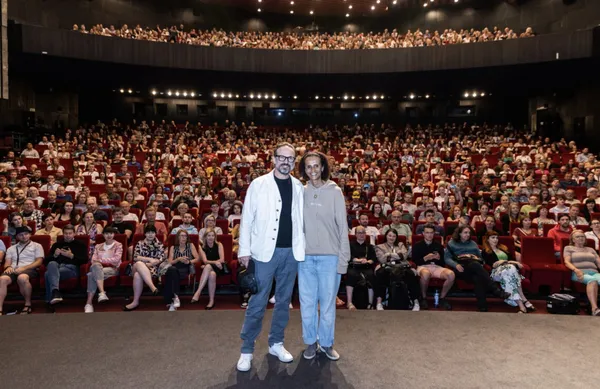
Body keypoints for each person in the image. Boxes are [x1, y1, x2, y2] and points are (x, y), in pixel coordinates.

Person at [237, 142, 305, 372]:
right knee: (257, 302)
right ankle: (247, 349)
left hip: (291, 253)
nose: (286, 161)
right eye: (282, 157)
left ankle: (276, 343)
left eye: (290, 158)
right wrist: (244, 250)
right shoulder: (258, 184)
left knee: (283, 302)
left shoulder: (299, 186)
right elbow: (247, 218)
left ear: (294, 162)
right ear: (274, 158)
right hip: (263, 253)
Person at [299, 151, 349, 361]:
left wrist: (343, 258)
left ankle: (327, 343)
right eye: (308, 167)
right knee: (307, 302)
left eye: (316, 166)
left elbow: (342, 227)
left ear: (322, 167)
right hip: (306, 258)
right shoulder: (299, 192)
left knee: (328, 304)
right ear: (304, 169)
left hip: (330, 257)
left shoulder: (334, 191)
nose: (313, 170)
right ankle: (311, 342)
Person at [444, 226, 510, 312]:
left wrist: (477, 259)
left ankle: (482, 306)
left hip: (474, 266)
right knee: (475, 266)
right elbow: (447, 258)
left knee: (477, 277)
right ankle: (496, 290)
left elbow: (481, 257)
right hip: (461, 268)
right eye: (465, 232)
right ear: (459, 233)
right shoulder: (452, 243)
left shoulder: (473, 243)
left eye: (469, 233)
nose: (468, 235)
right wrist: (455, 265)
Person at [481, 231, 535, 313]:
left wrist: (508, 262)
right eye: (492, 238)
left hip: (508, 271)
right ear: (487, 239)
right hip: (496, 273)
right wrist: (511, 262)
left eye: (496, 238)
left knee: (509, 276)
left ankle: (522, 307)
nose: (495, 240)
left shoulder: (503, 248)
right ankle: (525, 300)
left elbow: (510, 259)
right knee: (511, 268)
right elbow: (494, 265)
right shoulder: (485, 251)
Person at [0, 226, 44, 315]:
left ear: (30, 235)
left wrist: (24, 268)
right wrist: (8, 267)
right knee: (2, 279)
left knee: (22, 277)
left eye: (26, 234)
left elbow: (39, 261)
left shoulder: (37, 246)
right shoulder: (11, 248)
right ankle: (0, 307)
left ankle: (28, 304)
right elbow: (7, 262)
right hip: (13, 269)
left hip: (29, 268)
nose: (24, 236)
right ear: (17, 237)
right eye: (21, 235)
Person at [374, 229, 419, 311]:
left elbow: (404, 256)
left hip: (401, 266)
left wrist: (389, 254)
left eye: (394, 236)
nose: (392, 238)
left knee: (411, 274)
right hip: (387, 267)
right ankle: (379, 302)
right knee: (380, 274)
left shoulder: (400, 244)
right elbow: (382, 259)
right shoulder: (379, 246)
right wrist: (398, 255)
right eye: (390, 235)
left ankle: (415, 302)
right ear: (386, 236)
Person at [412, 224, 454, 310]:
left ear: (434, 233)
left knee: (451, 274)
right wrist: (425, 258)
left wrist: (438, 258)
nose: (429, 235)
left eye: (431, 233)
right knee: (426, 274)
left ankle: (442, 298)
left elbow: (443, 263)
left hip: (436, 267)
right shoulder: (417, 245)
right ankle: (423, 298)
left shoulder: (438, 245)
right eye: (427, 233)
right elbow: (414, 262)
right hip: (423, 266)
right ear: (423, 233)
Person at [124, 225, 164, 311]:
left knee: (138, 275)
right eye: (148, 232)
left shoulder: (159, 244)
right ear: (145, 234)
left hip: (152, 269)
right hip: (136, 267)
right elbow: (135, 257)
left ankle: (135, 301)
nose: (150, 235)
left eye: (152, 232)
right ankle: (152, 287)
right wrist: (149, 259)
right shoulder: (140, 243)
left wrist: (149, 264)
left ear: (155, 234)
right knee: (139, 263)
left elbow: (161, 258)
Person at [44, 224, 87, 304]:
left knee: (47, 274)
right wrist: (55, 255)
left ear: (74, 234)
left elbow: (85, 260)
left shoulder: (80, 244)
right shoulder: (56, 245)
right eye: (66, 233)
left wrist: (71, 256)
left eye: (70, 233)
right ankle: (55, 293)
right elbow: (45, 261)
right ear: (63, 234)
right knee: (52, 263)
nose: (68, 235)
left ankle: (50, 298)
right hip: (56, 267)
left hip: (71, 269)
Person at [84, 227, 123, 313]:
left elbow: (116, 260)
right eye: (106, 233)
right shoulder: (98, 246)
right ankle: (102, 293)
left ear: (114, 234)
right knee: (96, 266)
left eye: (111, 233)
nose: (109, 235)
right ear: (103, 235)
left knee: (91, 275)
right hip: (97, 268)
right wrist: (99, 263)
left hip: (112, 269)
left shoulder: (118, 245)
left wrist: (101, 262)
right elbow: (93, 260)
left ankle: (89, 303)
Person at [563, 229, 600, 316]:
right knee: (592, 281)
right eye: (578, 237)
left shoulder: (591, 249)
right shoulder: (568, 248)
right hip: (579, 273)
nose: (581, 238)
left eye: (582, 236)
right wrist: (576, 270)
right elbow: (566, 262)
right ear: (573, 239)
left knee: (594, 278)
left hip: (594, 272)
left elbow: (598, 262)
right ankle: (594, 309)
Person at [164, 230, 200, 311]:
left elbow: (198, 259)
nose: (183, 238)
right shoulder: (173, 247)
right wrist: (178, 259)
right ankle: (176, 297)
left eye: (185, 236)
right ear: (178, 237)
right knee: (172, 270)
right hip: (174, 267)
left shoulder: (190, 245)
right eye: (181, 236)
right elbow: (170, 262)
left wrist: (189, 261)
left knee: (171, 273)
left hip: (185, 268)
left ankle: (171, 300)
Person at [190, 228, 225, 309]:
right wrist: (214, 262)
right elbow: (205, 261)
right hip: (210, 268)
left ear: (215, 237)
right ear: (205, 237)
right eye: (209, 235)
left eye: (213, 236)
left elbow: (222, 259)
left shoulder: (219, 244)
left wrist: (213, 263)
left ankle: (198, 292)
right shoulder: (202, 247)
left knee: (208, 266)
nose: (211, 237)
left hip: (219, 268)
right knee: (212, 274)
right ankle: (211, 301)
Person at [346, 226, 376, 310]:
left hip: (366, 266)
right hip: (354, 266)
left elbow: (373, 258)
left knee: (370, 275)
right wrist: (357, 260)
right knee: (351, 275)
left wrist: (368, 261)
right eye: (359, 233)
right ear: (355, 234)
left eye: (363, 233)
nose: (361, 235)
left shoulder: (369, 246)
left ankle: (370, 303)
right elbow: (348, 256)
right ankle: (349, 302)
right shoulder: (350, 245)